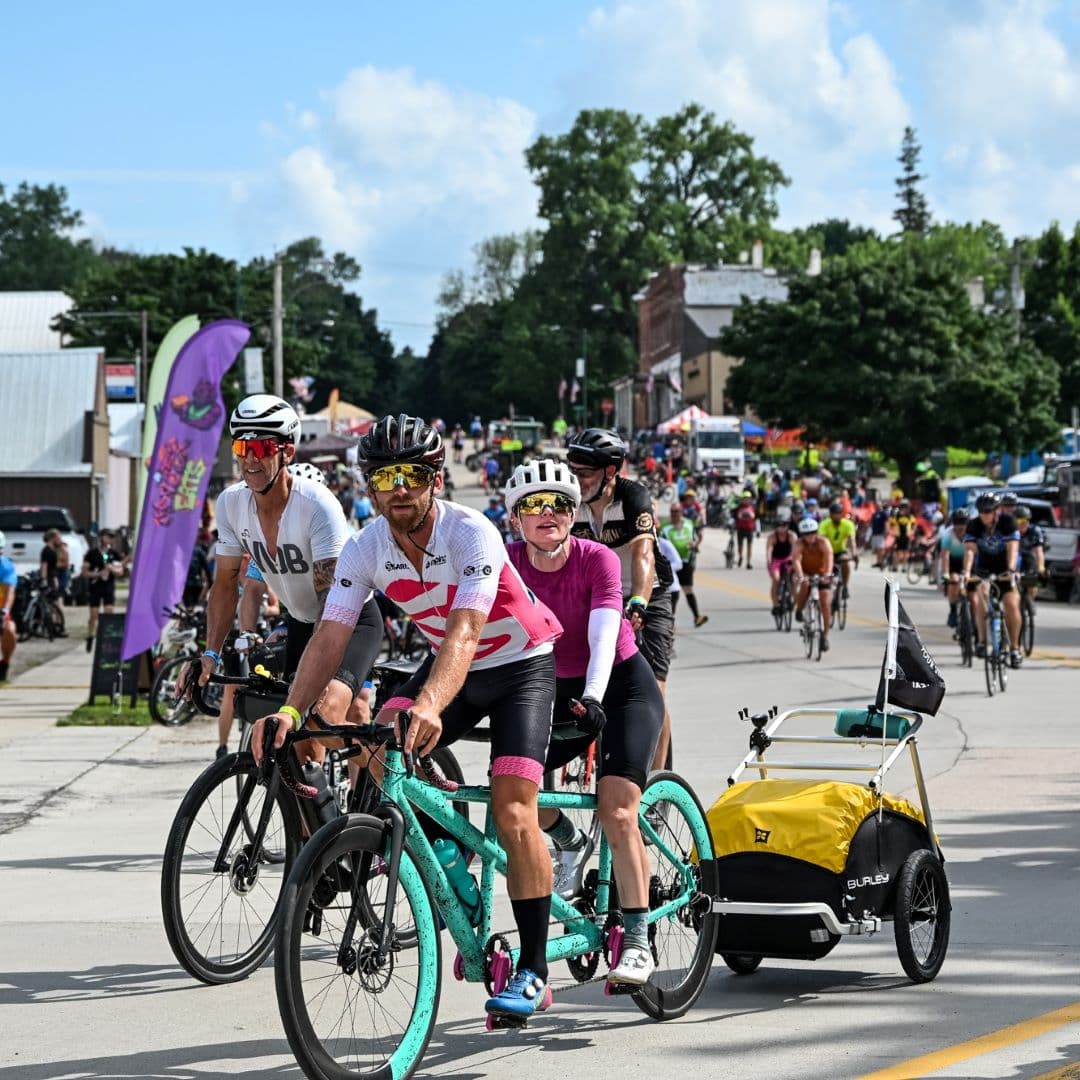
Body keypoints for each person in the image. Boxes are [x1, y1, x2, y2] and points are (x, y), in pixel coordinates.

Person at [251, 414, 563, 1022]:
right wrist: (292, 709)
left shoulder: (472, 533)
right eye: (386, 475)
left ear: (436, 479)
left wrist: (430, 703)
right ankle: (450, 861)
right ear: (369, 484)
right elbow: (329, 635)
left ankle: (533, 968)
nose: (400, 486)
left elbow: (466, 631)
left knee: (513, 808)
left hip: (519, 663)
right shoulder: (366, 547)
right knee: (376, 743)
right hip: (454, 663)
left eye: (413, 474)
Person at [502, 460, 665, 986]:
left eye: (560, 505)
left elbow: (603, 636)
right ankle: (570, 839)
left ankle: (637, 940)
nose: (546, 513)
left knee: (617, 811)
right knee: (512, 793)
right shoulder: (507, 563)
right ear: (515, 518)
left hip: (618, 685)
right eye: (532, 505)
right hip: (553, 685)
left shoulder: (597, 559)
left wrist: (594, 696)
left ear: (574, 515)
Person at [190, 393, 384, 755]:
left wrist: (316, 687)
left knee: (324, 717)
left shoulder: (317, 506)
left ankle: (390, 781)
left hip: (350, 622)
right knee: (297, 744)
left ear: (287, 453)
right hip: (301, 622)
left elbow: (334, 608)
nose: (250, 458)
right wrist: (211, 655)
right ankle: (322, 812)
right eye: (242, 446)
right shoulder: (232, 504)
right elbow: (226, 585)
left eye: (262, 447)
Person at [567, 428, 676, 773]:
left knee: (653, 690)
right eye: (573, 472)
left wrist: (639, 601)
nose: (577, 481)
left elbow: (643, 554)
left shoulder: (633, 497)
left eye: (584, 474)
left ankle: (654, 784)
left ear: (611, 471)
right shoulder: (570, 501)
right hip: (599, 596)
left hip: (647, 595)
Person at [962, 491, 1022, 668]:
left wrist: (1011, 569)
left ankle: (1014, 649)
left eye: (987, 511)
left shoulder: (1008, 522)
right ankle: (981, 641)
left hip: (1005, 569)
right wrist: (966, 571)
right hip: (984, 569)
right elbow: (970, 550)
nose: (984, 515)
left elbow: (1013, 548)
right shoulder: (974, 525)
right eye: (981, 511)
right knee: (982, 594)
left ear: (996, 511)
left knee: (1011, 604)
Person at [660, 502, 707, 627]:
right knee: (672, 592)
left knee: (688, 589)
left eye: (677, 512)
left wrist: (695, 544)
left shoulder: (688, 524)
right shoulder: (665, 527)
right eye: (672, 512)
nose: (675, 515)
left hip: (686, 561)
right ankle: (669, 622)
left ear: (682, 512)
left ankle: (697, 616)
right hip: (671, 565)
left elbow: (696, 537)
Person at [792, 517, 834, 652]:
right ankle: (799, 609)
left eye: (812, 533)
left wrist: (827, 574)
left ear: (816, 532)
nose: (809, 536)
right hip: (806, 573)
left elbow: (829, 557)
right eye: (806, 534)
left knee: (825, 604)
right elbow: (796, 560)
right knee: (804, 586)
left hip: (822, 574)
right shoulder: (799, 544)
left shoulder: (823, 542)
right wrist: (800, 575)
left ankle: (825, 636)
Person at [82, 530, 124, 652]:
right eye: (108, 537)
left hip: (108, 586)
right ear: (101, 538)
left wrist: (112, 569)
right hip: (95, 586)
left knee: (108, 612)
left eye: (112, 537)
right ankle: (90, 636)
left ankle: (106, 639)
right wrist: (97, 574)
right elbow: (85, 572)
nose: (110, 540)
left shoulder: (114, 554)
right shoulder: (92, 553)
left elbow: (120, 571)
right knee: (94, 615)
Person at [818, 501, 857, 596]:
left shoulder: (848, 524)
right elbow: (822, 540)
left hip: (840, 551)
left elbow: (852, 540)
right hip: (827, 552)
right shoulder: (824, 524)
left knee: (845, 562)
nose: (837, 516)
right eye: (834, 514)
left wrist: (854, 554)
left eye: (839, 513)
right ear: (830, 514)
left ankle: (845, 586)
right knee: (825, 571)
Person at [938, 508, 969, 629]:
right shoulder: (948, 534)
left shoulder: (972, 533)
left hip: (969, 562)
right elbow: (945, 556)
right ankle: (953, 611)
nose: (960, 526)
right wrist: (946, 574)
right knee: (953, 582)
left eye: (963, 523)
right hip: (953, 562)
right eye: (957, 523)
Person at [765, 510, 795, 615]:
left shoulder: (792, 536)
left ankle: (792, 599)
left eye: (784, 525)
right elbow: (769, 550)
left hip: (788, 559)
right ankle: (776, 605)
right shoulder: (772, 537)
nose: (782, 528)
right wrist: (769, 561)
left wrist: (793, 560)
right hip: (776, 561)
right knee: (776, 580)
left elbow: (795, 549)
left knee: (794, 580)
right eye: (779, 525)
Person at [1015, 505, 1046, 600]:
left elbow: (1039, 551)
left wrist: (1041, 567)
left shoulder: (1035, 531)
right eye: (1019, 521)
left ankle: (1029, 601)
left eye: (1025, 521)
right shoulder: (1010, 531)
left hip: (1029, 561)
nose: (1022, 524)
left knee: (1033, 585)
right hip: (1014, 561)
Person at [0, 531, 17, 682]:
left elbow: (9, 592)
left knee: (9, 630)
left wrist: (4, 611)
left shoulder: (6, 566)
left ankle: (5, 662)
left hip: (1, 608)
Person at [889, 499, 917, 568]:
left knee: (906, 551)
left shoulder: (910, 516)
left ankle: (904, 566)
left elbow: (914, 525)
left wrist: (912, 532)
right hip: (898, 535)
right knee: (896, 551)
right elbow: (891, 524)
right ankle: (895, 566)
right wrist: (892, 532)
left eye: (906, 507)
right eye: (903, 507)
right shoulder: (897, 516)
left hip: (906, 536)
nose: (905, 509)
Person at [734, 493, 756, 568]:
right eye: (745, 498)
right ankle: (740, 556)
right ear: (742, 499)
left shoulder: (753, 507)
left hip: (749, 529)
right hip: (740, 528)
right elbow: (735, 517)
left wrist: (758, 530)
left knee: (749, 546)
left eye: (748, 498)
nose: (746, 500)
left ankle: (748, 562)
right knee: (740, 545)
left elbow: (756, 518)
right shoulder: (738, 507)